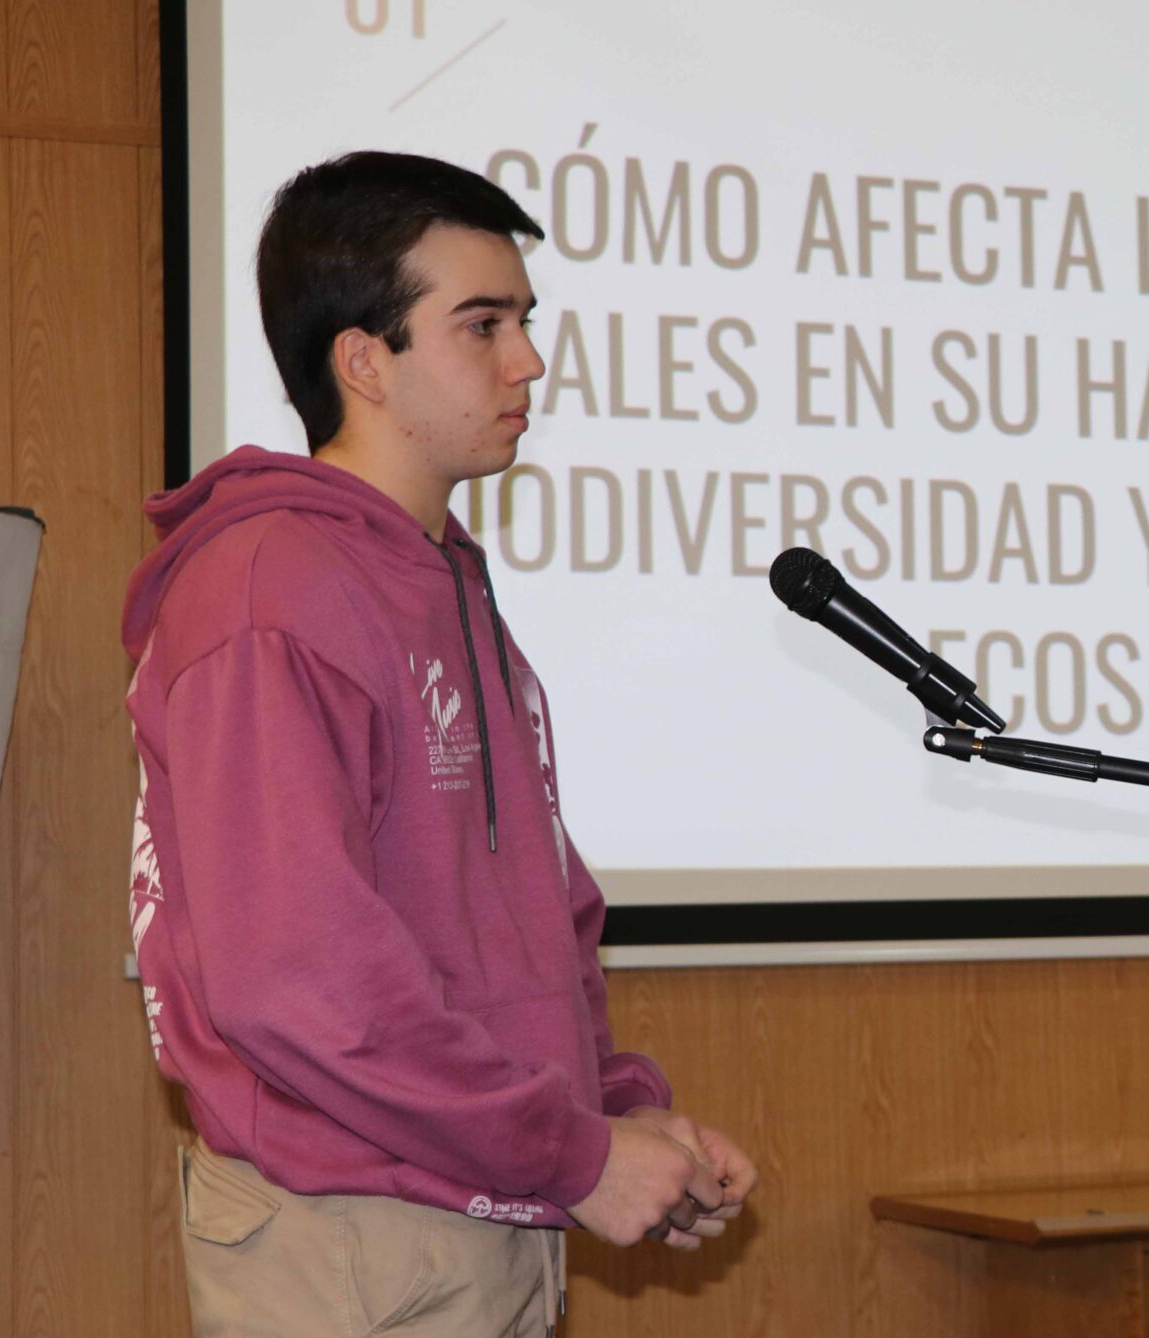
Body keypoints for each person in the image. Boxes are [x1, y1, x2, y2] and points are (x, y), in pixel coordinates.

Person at [121, 151, 755, 1335]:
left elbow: (521, 918)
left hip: (484, 1206)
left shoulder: (443, 581)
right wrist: (575, 1154)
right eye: (482, 324)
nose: (528, 361)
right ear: (364, 360)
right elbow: (299, 983)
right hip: (354, 1236)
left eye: (523, 320)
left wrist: (624, 1123)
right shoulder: (270, 588)